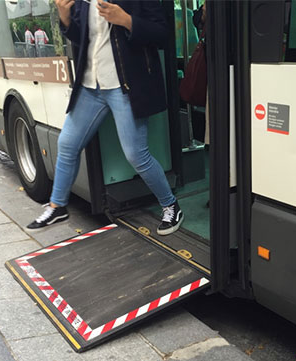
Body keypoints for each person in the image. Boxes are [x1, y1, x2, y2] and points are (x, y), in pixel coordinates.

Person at [27, 0, 184, 236]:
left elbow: (162, 34)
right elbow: (81, 38)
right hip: (91, 86)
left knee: (136, 154)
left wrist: (126, 20)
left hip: (125, 87)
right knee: (67, 144)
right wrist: (65, 16)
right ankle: (57, 206)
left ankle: (170, 205)